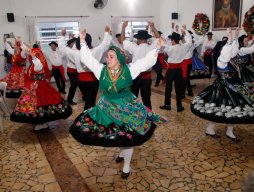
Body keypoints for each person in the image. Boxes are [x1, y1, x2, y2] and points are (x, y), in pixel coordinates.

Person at [69, 30, 166, 179]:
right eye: (107, 56)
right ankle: (121, 152)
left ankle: (126, 165)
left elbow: (146, 61)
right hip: (106, 108)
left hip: (126, 107)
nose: (108, 59)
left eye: (111, 57)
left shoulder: (129, 70)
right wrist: (82, 42)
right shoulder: (101, 70)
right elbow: (87, 59)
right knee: (115, 132)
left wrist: (157, 48)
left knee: (127, 136)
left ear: (119, 59)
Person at [191, 28, 254, 142]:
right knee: (219, 110)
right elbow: (228, 50)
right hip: (222, 89)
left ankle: (228, 131)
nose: (232, 52)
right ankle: (211, 129)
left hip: (232, 88)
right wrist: (230, 37)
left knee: (231, 110)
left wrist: (234, 35)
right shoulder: (222, 61)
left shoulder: (232, 59)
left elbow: (236, 48)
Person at [10, 45, 72, 131]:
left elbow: (35, 60)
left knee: (41, 104)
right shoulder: (33, 64)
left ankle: (42, 124)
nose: (30, 57)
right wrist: (23, 47)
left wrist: (28, 51)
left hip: (39, 87)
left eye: (33, 55)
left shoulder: (38, 63)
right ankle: (41, 124)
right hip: (34, 87)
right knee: (36, 104)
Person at [121, 21, 160, 109]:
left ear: (138, 39)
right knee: (146, 99)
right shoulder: (151, 47)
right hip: (147, 77)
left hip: (135, 76)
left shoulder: (135, 47)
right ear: (147, 39)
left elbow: (123, 40)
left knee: (133, 98)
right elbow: (158, 39)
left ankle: (133, 118)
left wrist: (123, 27)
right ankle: (149, 119)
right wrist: (153, 27)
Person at [160, 25, 192, 112]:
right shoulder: (183, 47)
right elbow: (189, 41)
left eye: (171, 40)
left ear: (173, 40)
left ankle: (167, 105)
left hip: (171, 71)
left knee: (168, 88)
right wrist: (185, 31)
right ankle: (179, 106)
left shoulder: (169, 48)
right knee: (179, 88)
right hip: (179, 71)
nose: (170, 41)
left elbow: (161, 42)